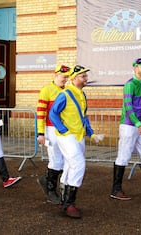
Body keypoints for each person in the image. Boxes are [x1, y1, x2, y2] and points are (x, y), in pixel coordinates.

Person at [49, 65, 100, 219]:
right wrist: (63, 130)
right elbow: (53, 113)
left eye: (86, 76)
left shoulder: (82, 95)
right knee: (78, 164)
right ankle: (69, 203)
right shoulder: (65, 94)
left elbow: (83, 117)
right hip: (67, 136)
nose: (86, 78)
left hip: (78, 136)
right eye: (83, 76)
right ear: (74, 78)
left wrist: (91, 134)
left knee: (70, 166)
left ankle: (64, 200)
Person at [110, 58, 141, 200]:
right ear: (135, 68)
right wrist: (138, 124)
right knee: (124, 156)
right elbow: (128, 106)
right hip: (129, 126)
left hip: (140, 126)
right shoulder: (130, 84)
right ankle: (116, 189)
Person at [36, 65, 70, 204]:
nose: (65, 79)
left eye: (67, 77)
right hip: (51, 129)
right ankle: (51, 191)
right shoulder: (46, 90)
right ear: (55, 75)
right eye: (63, 77)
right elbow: (40, 112)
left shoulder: (67, 90)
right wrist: (40, 133)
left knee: (63, 159)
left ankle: (49, 182)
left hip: (64, 130)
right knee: (56, 159)